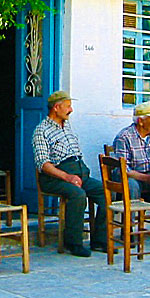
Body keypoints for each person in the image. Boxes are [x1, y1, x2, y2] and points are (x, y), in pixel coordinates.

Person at [32, 91, 107, 257]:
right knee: (78, 195)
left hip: (79, 173)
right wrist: (67, 177)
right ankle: (73, 242)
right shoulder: (41, 131)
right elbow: (43, 164)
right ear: (56, 108)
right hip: (55, 177)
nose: (71, 110)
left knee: (106, 192)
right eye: (68, 106)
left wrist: (78, 174)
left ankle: (100, 240)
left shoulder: (67, 127)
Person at [112, 101, 150, 200]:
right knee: (131, 184)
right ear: (140, 121)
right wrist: (149, 178)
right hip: (133, 176)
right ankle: (131, 215)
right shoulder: (124, 137)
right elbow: (124, 170)